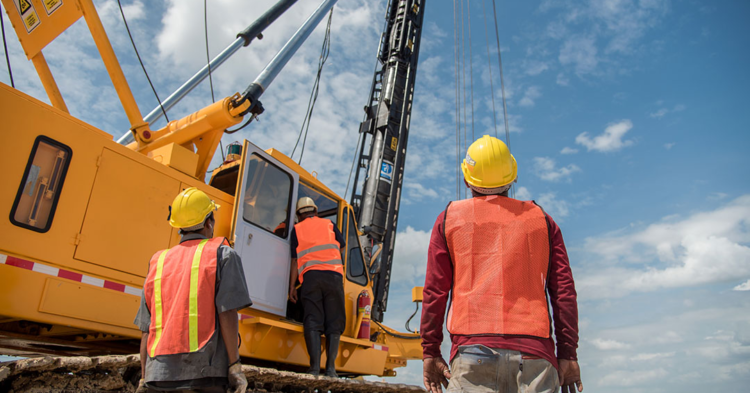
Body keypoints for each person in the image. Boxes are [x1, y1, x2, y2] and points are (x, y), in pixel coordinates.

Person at [420, 135, 583, 393]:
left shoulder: (449, 219)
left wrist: (430, 351)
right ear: (512, 176)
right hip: (535, 359)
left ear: (466, 178)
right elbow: (564, 291)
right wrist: (568, 353)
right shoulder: (541, 220)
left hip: (472, 354)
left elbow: (435, 292)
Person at [134, 187, 252, 393]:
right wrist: (234, 365)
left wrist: (145, 378)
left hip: (158, 376)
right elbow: (227, 312)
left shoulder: (158, 261)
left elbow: (147, 327)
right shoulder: (222, 254)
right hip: (204, 374)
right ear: (208, 222)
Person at [288, 197, 346, 377]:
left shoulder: (297, 229)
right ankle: (331, 369)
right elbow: (342, 247)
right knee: (334, 322)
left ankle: (314, 368)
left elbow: (295, 261)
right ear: (315, 211)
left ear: (298, 214)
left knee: (313, 320)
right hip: (334, 276)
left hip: (311, 277)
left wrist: (292, 287)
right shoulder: (329, 224)